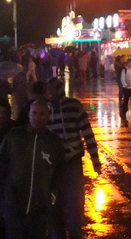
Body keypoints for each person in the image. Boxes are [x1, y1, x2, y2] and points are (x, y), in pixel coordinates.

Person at [0, 99, 66, 239]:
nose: (37, 118)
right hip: (14, 205)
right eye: (34, 113)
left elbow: (60, 171)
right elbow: (0, 165)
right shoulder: (14, 136)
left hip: (40, 208)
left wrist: (53, 194)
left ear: (48, 116)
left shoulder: (54, 142)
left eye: (42, 114)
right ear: (29, 114)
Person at [44, 77, 102, 239]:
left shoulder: (73, 107)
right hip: (53, 165)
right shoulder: (45, 110)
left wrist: (95, 161)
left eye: (52, 90)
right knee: (54, 204)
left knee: (75, 204)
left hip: (73, 162)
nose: (49, 93)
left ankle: (75, 233)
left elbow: (87, 134)